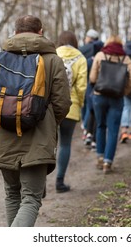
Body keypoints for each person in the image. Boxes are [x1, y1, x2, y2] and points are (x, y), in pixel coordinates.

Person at [0, 15, 71, 226]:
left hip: (4, 136)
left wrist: (5, 119)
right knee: (30, 199)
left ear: (15, 32)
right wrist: (45, 122)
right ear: (40, 31)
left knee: (12, 195)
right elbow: (62, 103)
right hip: (38, 139)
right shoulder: (53, 60)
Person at [89, 35, 131, 174]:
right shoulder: (125, 58)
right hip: (116, 98)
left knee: (100, 126)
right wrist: (123, 91)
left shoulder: (100, 55)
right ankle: (107, 162)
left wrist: (97, 86)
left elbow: (92, 78)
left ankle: (100, 157)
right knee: (113, 130)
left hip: (100, 96)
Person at [55, 31, 87, 193]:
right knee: (65, 143)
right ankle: (59, 181)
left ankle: (38, 183)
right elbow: (81, 87)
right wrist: (79, 104)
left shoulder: (52, 54)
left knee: (46, 144)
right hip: (70, 106)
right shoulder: (81, 58)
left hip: (51, 106)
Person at [79, 29, 104, 149]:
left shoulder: (82, 49)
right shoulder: (101, 49)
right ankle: (89, 132)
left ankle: (85, 128)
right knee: (92, 108)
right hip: (95, 83)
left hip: (83, 80)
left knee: (85, 106)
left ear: (89, 37)